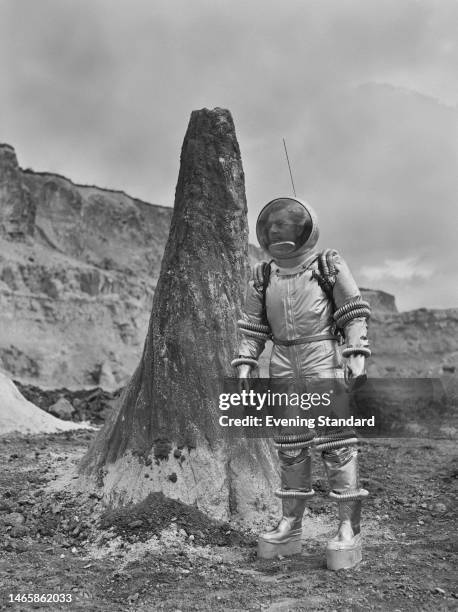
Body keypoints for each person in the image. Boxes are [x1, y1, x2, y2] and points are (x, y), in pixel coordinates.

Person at [231, 197, 371, 570]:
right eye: (273, 226)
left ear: (303, 229)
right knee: (291, 447)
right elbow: (253, 326)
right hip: (282, 360)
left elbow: (352, 310)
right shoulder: (264, 276)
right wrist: (246, 361)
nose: (278, 231)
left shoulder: (327, 265)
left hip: (321, 355)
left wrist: (355, 351)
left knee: (336, 443)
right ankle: (290, 525)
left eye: (286, 225)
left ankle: (348, 528)